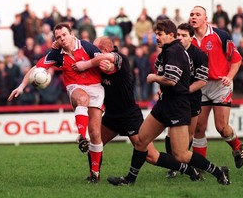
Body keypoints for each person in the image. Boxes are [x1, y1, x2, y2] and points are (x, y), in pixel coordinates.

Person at [106, 19, 230, 186]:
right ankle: (130, 179)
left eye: (160, 34)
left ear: (171, 35)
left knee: (181, 155)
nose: (157, 37)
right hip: (164, 104)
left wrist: (154, 78)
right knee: (141, 141)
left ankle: (218, 171)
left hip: (177, 107)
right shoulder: (166, 51)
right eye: (156, 34)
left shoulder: (174, 51)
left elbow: (171, 80)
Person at [73, 36, 202, 184]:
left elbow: (113, 63)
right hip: (112, 116)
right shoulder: (98, 65)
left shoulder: (120, 57)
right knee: (95, 142)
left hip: (129, 116)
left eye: (95, 51)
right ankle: (94, 176)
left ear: (104, 50)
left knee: (151, 156)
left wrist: (101, 66)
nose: (92, 54)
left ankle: (189, 169)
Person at [8, 22, 104, 183]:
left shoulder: (87, 46)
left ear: (71, 34)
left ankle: (94, 174)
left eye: (64, 35)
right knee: (82, 99)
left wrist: (105, 66)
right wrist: (21, 86)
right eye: (58, 37)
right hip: (75, 87)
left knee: (95, 133)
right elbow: (35, 68)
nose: (62, 39)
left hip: (96, 88)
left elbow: (102, 59)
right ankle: (81, 136)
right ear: (55, 40)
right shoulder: (56, 54)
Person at [189, 6, 243, 169]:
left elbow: (236, 59)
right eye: (191, 14)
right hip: (200, 86)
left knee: (221, 127)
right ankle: (200, 167)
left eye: (198, 14)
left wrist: (229, 77)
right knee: (199, 127)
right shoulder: (187, 39)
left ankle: (237, 147)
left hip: (220, 85)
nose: (194, 17)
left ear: (205, 19)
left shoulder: (220, 35)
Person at [164, 23, 209, 178]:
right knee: (171, 132)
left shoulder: (199, 55)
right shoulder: (171, 52)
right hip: (174, 99)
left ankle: (185, 163)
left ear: (191, 37)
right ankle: (173, 166)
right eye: (178, 35)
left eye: (184, 35)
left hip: (191, 99)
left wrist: (184, 91)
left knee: (189, 133)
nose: (180, 38)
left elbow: (202, 80)